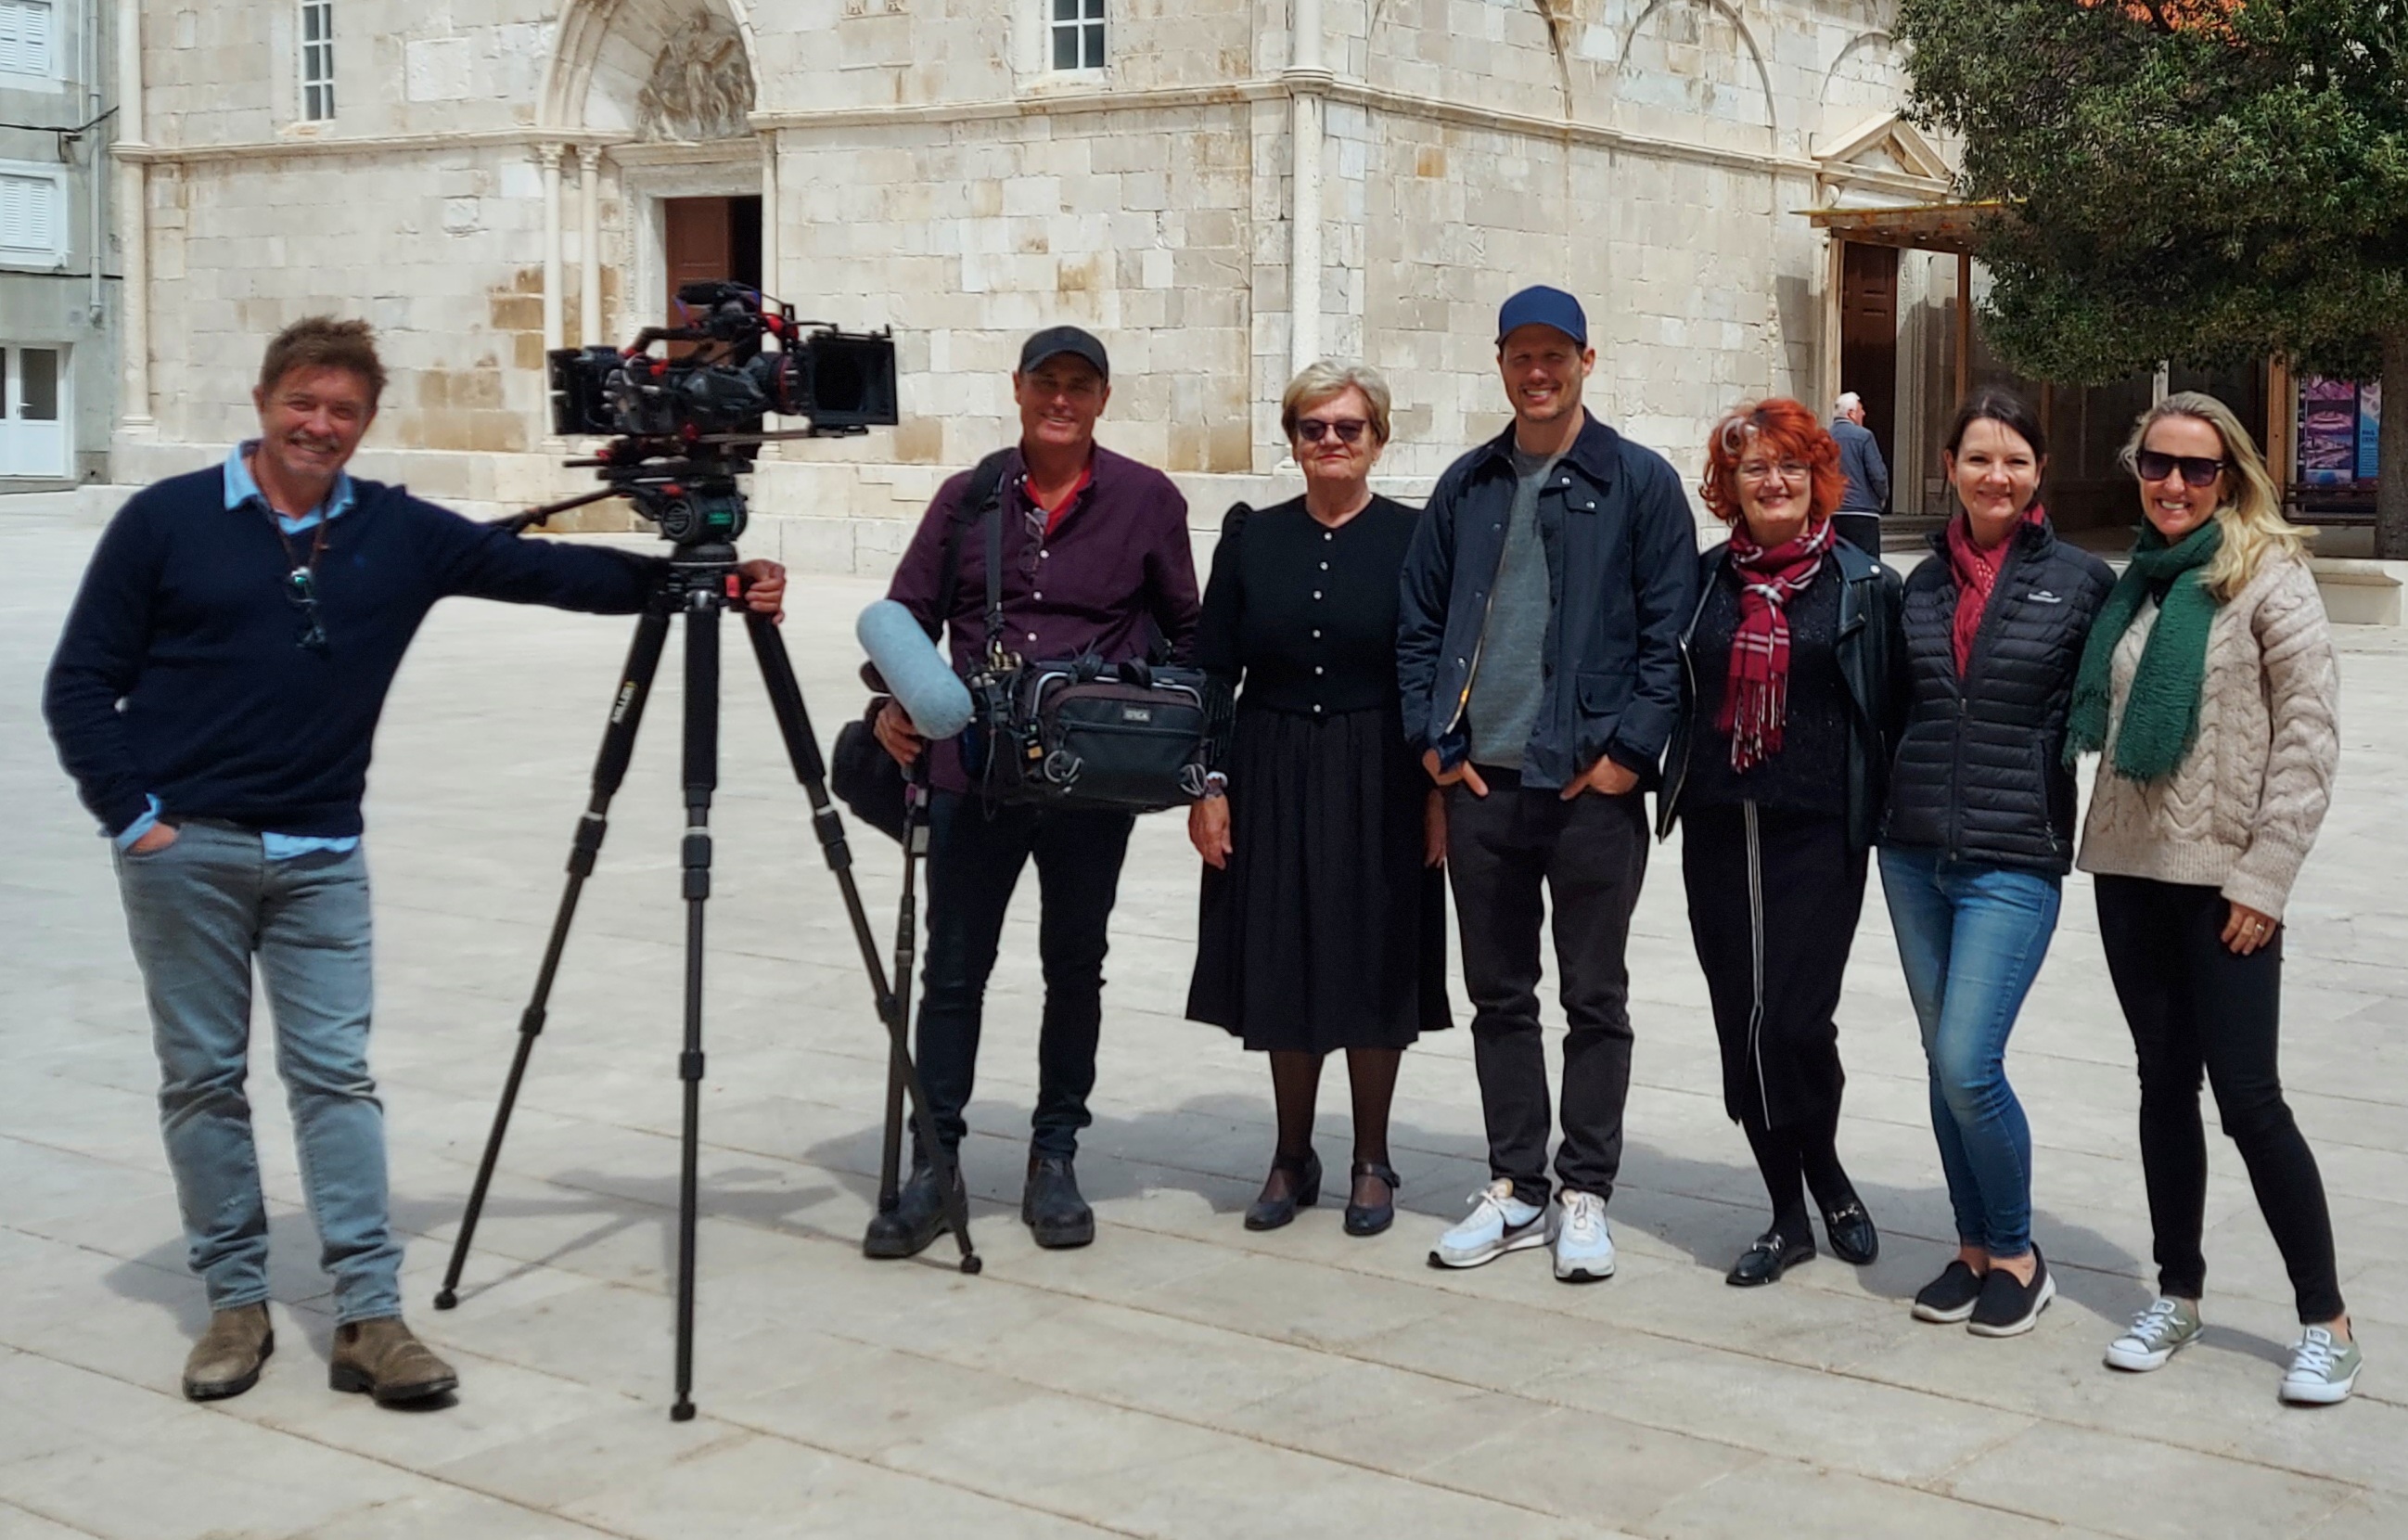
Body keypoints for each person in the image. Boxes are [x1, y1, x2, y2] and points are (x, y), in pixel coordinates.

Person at [41, 317, 787, 1407]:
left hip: (320, 853)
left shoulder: (392, 530)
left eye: (343, 410)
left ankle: (366, 1317)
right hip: (185, 849)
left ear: (366, 422)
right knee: (204, 1079)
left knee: (336, 1079)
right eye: (304, 402)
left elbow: (535, 570)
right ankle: (236, 1303)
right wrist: (135, 817)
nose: (321, 425)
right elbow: (78, 684)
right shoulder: (166, 521)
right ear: (263, 401)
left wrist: (703, 580)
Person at [866, 325, 1199, 1256]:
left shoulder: (1147, 500)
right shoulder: (967, 496)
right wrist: (896, 703)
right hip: (970, 773)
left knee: (1073, 968)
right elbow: (902, 619)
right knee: (953, 971)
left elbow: (1188, 635)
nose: (1061, 398)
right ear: (1017, 389)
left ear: (1102, 397)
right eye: (1046, 382)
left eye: (1079, 384)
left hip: (1090, 783)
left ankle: (1054, 1157)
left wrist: (1157, 727)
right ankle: (935, 1163)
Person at [1398, 285, 1697, 1281]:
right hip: (1482, 784)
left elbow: (1672, 637)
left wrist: (1627, 755)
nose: (1538, 373)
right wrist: (1433, 745)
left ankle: (1584, 1190)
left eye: (1554, 355)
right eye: (1520, 356)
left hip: (1587, 789)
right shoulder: (1469, 484)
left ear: (1585, 360)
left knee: (1595, 995)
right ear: (1499, 365)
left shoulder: (1639, 484)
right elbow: (1419, 624)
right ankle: (1515, 1183)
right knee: (1499, 994)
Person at [2068, 393, 2359, 1404]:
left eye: (2197, 470)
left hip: (2226, 887)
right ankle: (2176, 1289)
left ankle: (2325, 1318)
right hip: (2127, 869)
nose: (2175, 485)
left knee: (2248, 1098)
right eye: (2158, 466)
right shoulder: (2134, 584)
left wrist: (2265, 878)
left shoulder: (2266, 577)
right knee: (2161, 1084)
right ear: (2137, 468)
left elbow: (2310, 740)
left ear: (2230, 476)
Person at [1185, 362, 1450, 1238]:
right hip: (1271, 766)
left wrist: (1440, 790)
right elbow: (1214, 670)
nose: (1330, 441)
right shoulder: (1251, 538)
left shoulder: (1418, 539)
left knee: (1375, 954)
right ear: (1292, 439)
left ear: (1378, 438)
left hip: (1385, 768)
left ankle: (1372, 1156)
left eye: (1348, 427)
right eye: (1313, 427)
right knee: (1283, 954)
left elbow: (1443, 672)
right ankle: (1291, 1154)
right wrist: (1209, 785)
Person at [1879, 387, 2111, 1338]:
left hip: (2015, 854)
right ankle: (1972, 1246)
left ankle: (2019, 1252)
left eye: (2014, 458)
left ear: (2038, 471)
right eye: (1979, 457)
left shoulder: (2082, 581)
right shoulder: (1917, 585)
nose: (1996, 475)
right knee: (1941, 1064)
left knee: (1971, 1060)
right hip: (1912, 850)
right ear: (1949, 467)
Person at [1659, 399, 1900, 1287]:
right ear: (1729, 487)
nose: (1774, 482)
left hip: (1817, 829)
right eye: (1755, 468)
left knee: (1798, 1022)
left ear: (1817, 480)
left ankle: (1828, 1169)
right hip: (1722, 823)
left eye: (1790, 467)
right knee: (1743, 1023)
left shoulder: (1865, 585)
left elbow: (1894, 711)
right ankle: (1787, 1213)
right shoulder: (1700, 578)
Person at [1830, 391, 1889, 558]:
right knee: (1868, 566)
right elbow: (1877, 474)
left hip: (1833, 512)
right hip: (1862, 512)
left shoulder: (1824, 437)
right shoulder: (1864, 436)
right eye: (1860, 410)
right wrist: (1882, 496)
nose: (1864, 413)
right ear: (1851, 413)